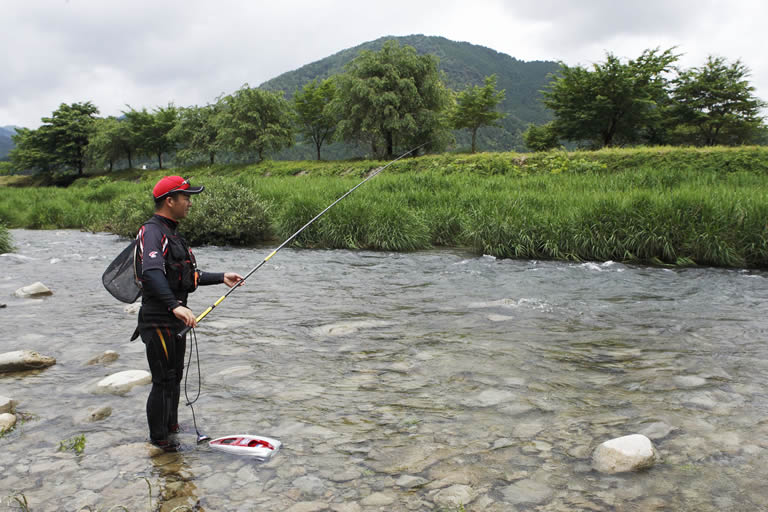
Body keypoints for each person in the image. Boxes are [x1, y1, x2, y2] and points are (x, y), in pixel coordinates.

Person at [135, 176, 243, 452]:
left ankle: (171, 427)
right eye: (186, 197)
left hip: (175, 318)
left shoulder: (172, 233)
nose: (190, 202)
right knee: (162, 381)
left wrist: (222, 277)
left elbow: (188, 276)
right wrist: (175, 305)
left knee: (175, 376)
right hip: (158, 319)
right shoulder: (152, 232)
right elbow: (151, 273)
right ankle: (159, 441)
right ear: (170, 201)